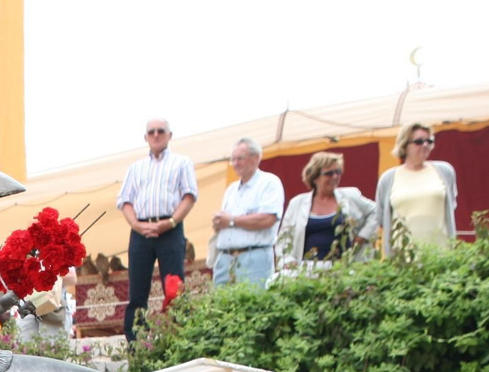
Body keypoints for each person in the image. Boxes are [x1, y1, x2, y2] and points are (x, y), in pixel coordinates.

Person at [116, 118, 197, 340]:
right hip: (140, 231)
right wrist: (136, 224)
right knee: (137, 293)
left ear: (169, 135)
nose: (156, 135)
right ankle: (135, 344)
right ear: (145, 137)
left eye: (161, 131)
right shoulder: (136, 168)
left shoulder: (182, 163)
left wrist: (171, 222)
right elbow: (125, 200)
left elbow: (189, 196)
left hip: (170, 229)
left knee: (175, 289)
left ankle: (179, 340)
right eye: (151, 132)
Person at [273, 150, 382, 273]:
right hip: (307, 271)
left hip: (346, 269)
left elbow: (377, 211)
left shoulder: (351, 196)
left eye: (338, 172)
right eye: (329, 173)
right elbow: (284, 239)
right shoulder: (297, 203)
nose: (335, 177)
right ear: (314, 177)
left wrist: (363, 236)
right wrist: (287, 261)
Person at [209, 138, 284, 288]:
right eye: (233, 160)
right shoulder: (231, 189)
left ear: (256, 158)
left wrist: (231, 221)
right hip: (225, 258)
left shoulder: (269, 183)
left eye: (240, 159)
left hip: (254, 257)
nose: (235, 163)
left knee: (253, 307)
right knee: (221, 308)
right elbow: (227, 221)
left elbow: (267, 219)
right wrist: (218, 222)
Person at [374, 122, 458, 256]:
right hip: (403, 258)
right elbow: (380, 217)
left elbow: (451, 207)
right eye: (419, 141)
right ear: (404, 145)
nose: (425, 145)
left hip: (442, 254)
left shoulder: (444, 171)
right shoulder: (388, 178)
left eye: (429, 141)